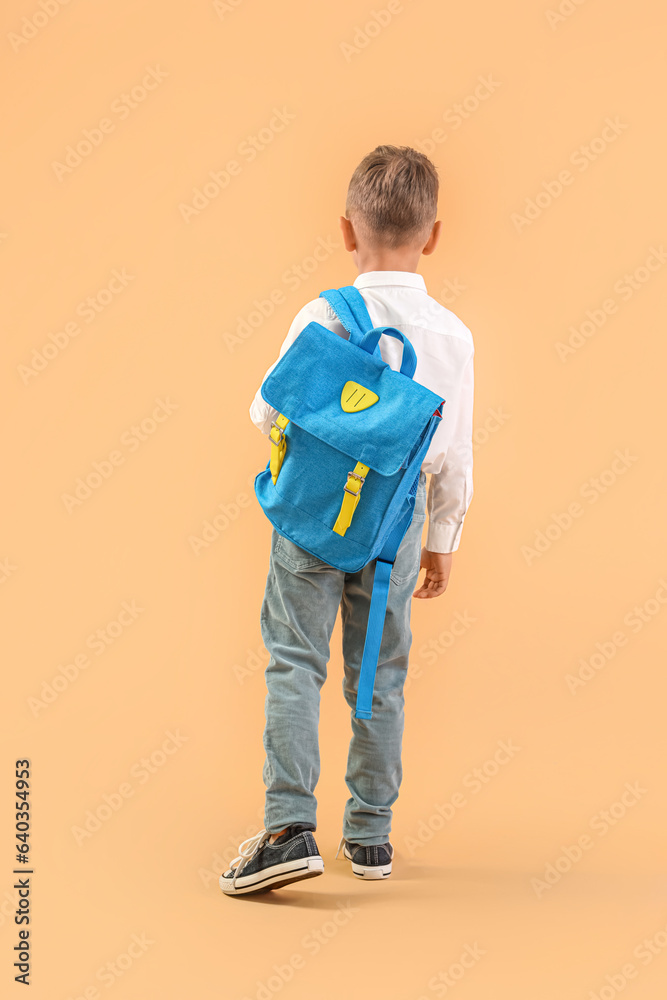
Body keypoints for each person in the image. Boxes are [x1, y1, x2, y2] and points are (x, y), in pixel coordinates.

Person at [220, 145, 475, 896]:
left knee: (293, 662)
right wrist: (442, 540)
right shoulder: (452, 336)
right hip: (394, 526)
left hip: (308, 515)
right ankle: (369, 838)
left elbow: (267, 407)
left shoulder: (324, 313)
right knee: (380, 674)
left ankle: (286, 828)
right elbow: (453, 451)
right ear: (431, 234)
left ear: (345, 230)